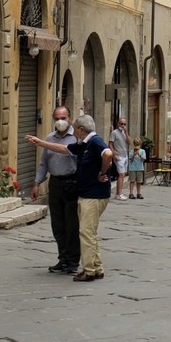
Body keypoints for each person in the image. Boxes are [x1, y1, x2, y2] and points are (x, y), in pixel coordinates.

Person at [29, 114, 114, 281]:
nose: (73, 131)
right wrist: (40, 143)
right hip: (88, 193)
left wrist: (102, 173)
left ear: (81, 130)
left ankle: (88, 271)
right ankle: (97, 268)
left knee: (86, 232)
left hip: (93, 195)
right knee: (91, 232)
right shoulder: (83, 144)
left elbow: (108, 154)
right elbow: (64, 149)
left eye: (75, 128)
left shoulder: (95, 141)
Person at [28, 106, 79, 274]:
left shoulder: (77, 138)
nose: (60, 121)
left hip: (71, 183)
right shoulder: (50, 137)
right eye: (57, 118)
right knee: (57, 224)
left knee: (71, 224)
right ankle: (62, 258)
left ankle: (72, 261)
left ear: (70, 118)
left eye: (63, 117)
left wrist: (41, 142)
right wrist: (36, 183)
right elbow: (44, 163)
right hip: (55, 184)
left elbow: (67, 151)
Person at [109, 117, 131, 201]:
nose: (123, 125)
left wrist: (126, 133)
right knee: (121, 175)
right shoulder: (114, 133)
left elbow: (129, 142)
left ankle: (120, 193)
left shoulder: (124, 133)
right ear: (118, 124)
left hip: (125, 156)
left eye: (124, 124)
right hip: (119, 156)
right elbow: (110, 144)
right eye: (121, 123)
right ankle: (118, 194)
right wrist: (114, 154)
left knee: (123, 175)